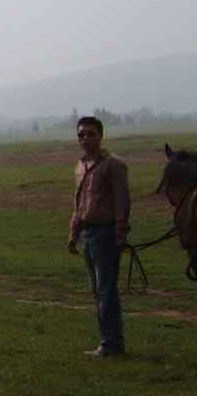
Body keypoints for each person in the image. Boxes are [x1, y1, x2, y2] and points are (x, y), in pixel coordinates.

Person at [68, 115, 130, 357]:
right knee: (98, 289)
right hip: (88, 233)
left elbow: (122, 202)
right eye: (81, 134)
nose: (85, 138)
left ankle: (112, 345)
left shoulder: (114, 165)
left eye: (91, 133)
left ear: (101, 136)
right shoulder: (80, 166)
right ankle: (108, 342)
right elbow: (80, 204)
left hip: (106, 232)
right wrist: (73, 232)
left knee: (106, 290)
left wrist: (121, 233)